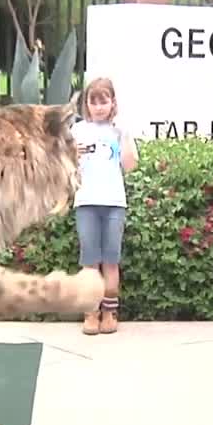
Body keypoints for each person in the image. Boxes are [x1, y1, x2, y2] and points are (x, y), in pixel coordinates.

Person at [72, 76, 137, 335]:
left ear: (112, 103)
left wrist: (125, 134)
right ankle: (90, 313)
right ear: (86, 104)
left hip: (114, 203)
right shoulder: (77, 131)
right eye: (94, 101)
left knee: (111, 262)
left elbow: (130, 165)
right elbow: (65, 164)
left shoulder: (118, 131)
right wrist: (71, 154)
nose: (99, 106)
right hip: (86, 202)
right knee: (90, 262)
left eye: (104, 101)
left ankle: (109, 312)